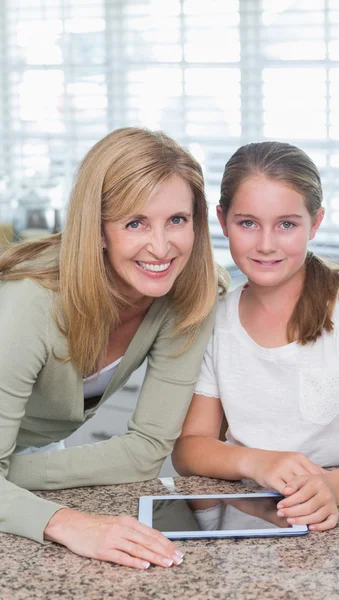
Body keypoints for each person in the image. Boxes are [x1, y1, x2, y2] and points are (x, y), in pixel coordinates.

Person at [0, 127, 228, 569]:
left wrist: (12, 478)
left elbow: (146, 450)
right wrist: (68, 522)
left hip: (24, 464)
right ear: (98, 229)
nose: (161, 247)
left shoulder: (192, 294)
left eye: (177, 220)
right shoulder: (30, 304)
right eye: (135, 222)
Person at [172, 141, 339, 531]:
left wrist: (333, 486)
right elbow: (190, 448)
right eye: (248, 223)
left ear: (315, 222)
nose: (265, 244)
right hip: (247, 512)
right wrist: (257, 461)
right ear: (223, 220)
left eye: (287, 224)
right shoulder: (216, 320)